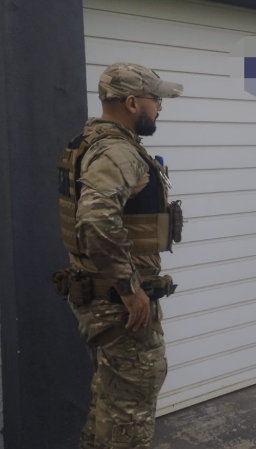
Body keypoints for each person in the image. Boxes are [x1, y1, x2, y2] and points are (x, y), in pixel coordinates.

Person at [52, 62, 184, 448]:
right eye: (155, 99)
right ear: (131, 103)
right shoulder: (118, 152)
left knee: (110, 404)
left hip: (99, 298)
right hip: (118, 307)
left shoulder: (88, 142)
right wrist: (129, 289)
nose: (160, 107)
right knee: (130, 413)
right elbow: (95, 220)